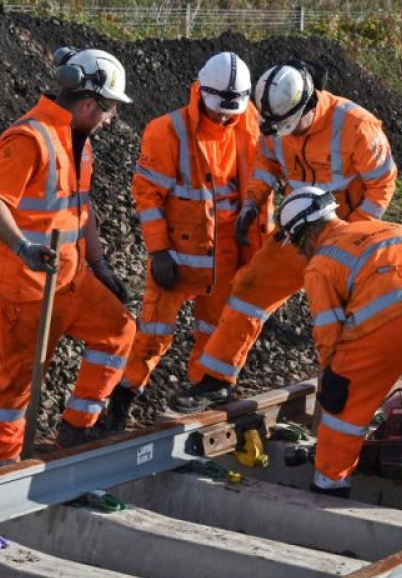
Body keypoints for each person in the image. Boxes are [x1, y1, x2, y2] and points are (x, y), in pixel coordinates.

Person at [173, 59, 398, 412]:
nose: (287, 135)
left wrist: (358, 234)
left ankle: (354, 386)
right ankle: (215, 380)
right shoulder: (276, 120)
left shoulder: (356, 125)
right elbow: (268, 164)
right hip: (298, 230)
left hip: (346, 234)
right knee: (248, 289)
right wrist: (252, 201)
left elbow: (382, 181)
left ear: (308, 105)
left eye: (291, 127)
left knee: (347, 317)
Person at [275, 186, 402, 522]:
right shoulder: (393, 228)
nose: (300, 254)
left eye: (298, 244)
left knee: (344, 417)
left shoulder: (320, 263)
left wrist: (333, 382)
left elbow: (328, 331)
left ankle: (329, 489)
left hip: (385, 330)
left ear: (309, 232)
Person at [0, 47, 136, 466]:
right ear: (88, 103)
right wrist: (23, 247)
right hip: (20, 282)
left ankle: (76, 429)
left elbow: (81, 208)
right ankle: (2, 465)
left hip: (66, 277)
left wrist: (98, 264)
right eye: (109, 109)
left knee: (118, 330)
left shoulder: (77, 141)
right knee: (19, 382)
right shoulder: (29, 137)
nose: (111, 118)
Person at [101, 52, 264, 430]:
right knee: (154, 333)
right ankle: (121, 399)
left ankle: (203, 396)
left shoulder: (250, 123)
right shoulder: (167, 131)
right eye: (219, 110)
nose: (225, 117)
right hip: (178, 249)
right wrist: (159, 251)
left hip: (227, 250)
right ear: (200, 91)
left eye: (232, 111)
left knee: (216, 330)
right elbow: (147, 195)